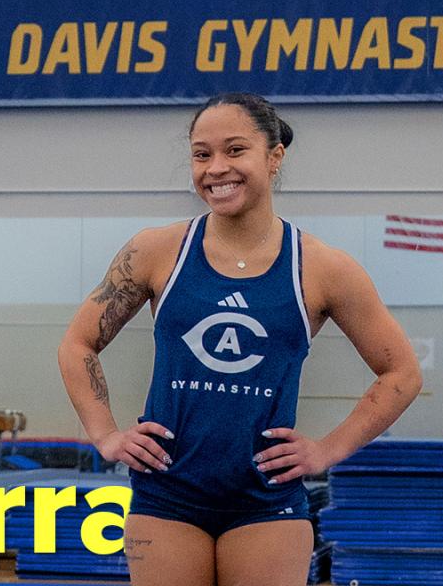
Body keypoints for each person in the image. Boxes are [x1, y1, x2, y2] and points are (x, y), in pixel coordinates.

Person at [57, 92, 422, 586]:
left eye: (234, 150)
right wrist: (106, 434)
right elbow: (78, 345)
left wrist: (327, 450)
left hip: (266, 500)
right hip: (166, 497)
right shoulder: (155, 251)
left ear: (274, 157)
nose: (215, 168)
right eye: (201, 154)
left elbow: (401, 373)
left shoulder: (323, 268)